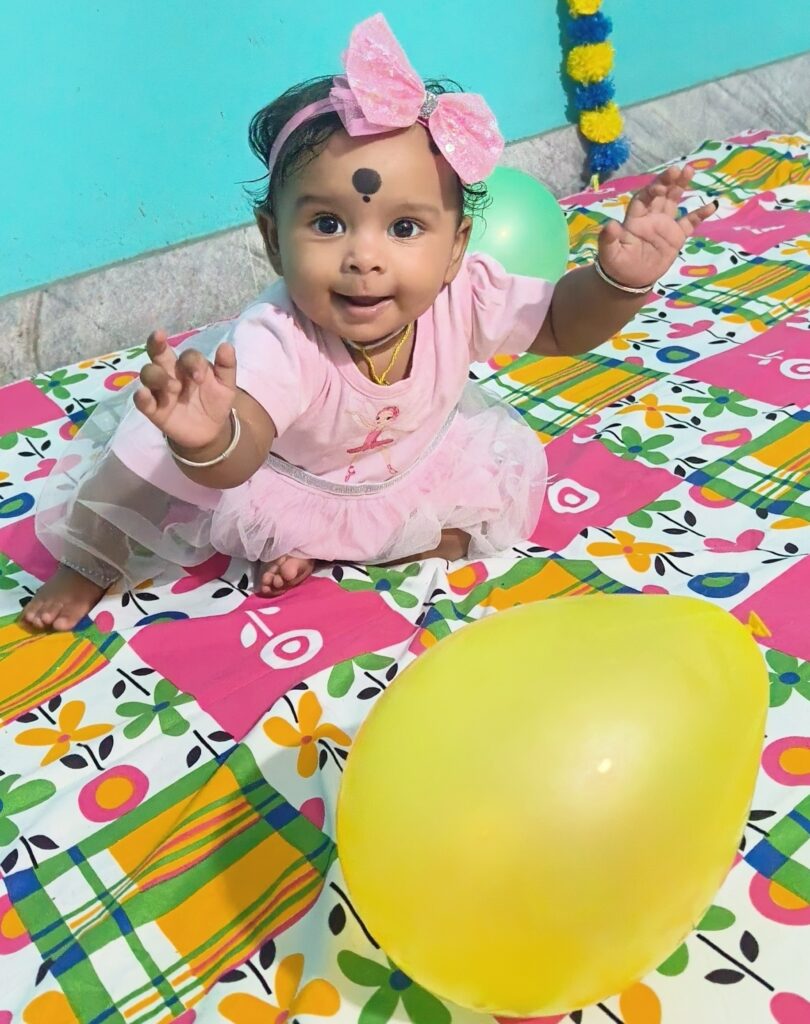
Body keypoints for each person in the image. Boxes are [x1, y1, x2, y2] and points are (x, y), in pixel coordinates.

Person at [22, 13, 718, 632]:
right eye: (328, 224)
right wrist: (207, 440)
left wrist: (619, 283)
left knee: (476, 518)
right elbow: (244, 449)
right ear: (273, 240)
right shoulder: (278, 335)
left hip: (408, 460)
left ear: (456, 247)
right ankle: (90, 562)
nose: (364, 257)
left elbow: (562, 327)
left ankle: (332, 547)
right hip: (288, 471)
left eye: (405, 227)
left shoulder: (463, 293)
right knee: (147, 468)